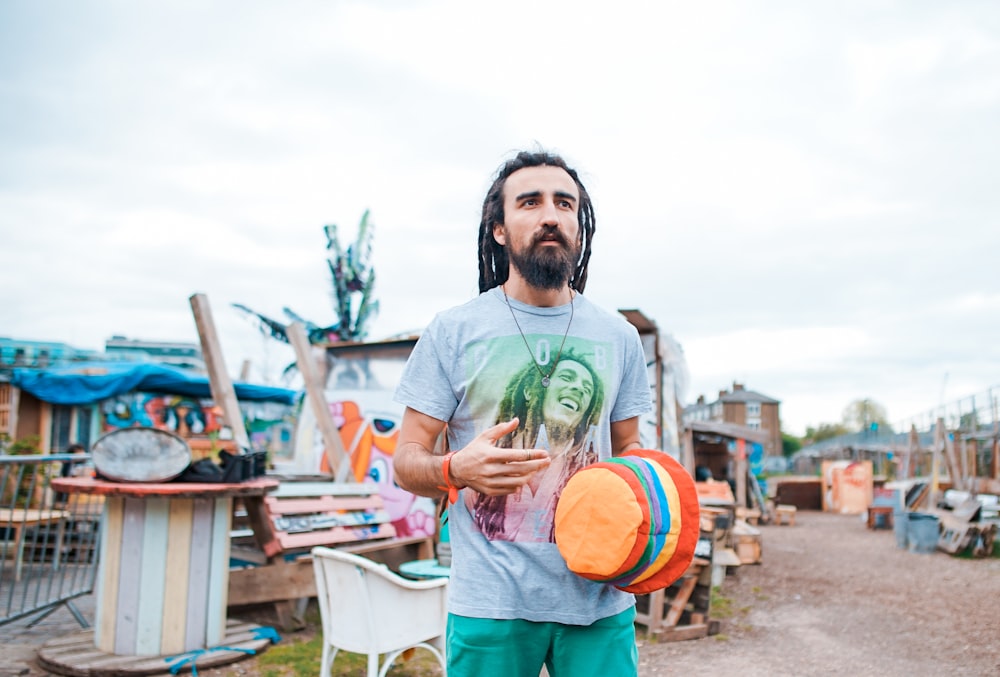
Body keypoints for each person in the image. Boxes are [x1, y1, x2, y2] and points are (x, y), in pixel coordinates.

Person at [393, 149, 652, 677]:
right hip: (491, 604)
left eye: (565, 203)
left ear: (579, 227)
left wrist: (654, 518)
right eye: (530, 202)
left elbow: (632, 452)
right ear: (499, 230)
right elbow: (406, 459)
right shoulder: (454, 330)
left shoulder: (619, 337)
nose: (550, 215)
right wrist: (453, 470)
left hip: (599, 595)